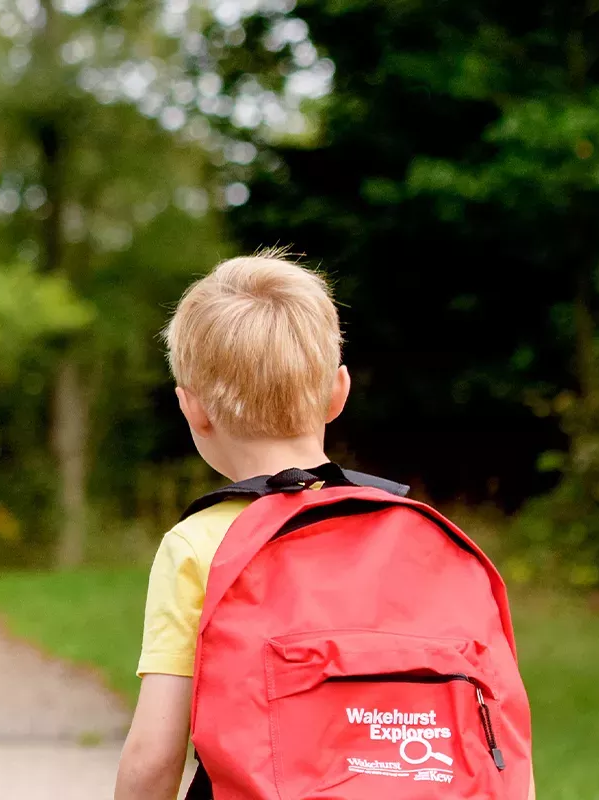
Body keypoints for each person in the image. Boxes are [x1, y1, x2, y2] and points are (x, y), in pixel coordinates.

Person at [112, 253, 411, 798]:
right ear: (338, 392)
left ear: (192, 409)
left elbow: (156, 755)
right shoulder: (406, 534)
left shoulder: (201, 544)